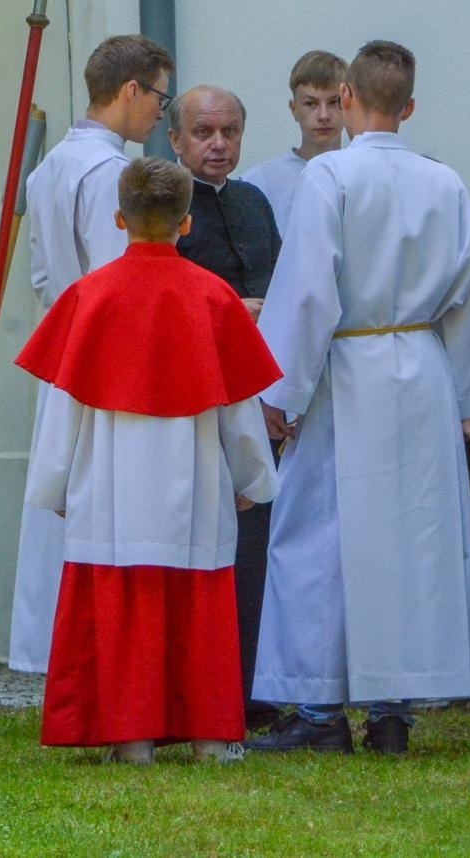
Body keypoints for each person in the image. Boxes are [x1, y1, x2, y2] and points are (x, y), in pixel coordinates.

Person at [247, 40, 470, 756]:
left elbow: (306, 293)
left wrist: (281, 393)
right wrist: (462, 397)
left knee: (319, 538)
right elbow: (468, 300)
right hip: (420, 366)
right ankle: (393, 709)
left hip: (348, 368)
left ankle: (322, 714)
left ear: (348, 97)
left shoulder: (331, 176)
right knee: (408, 542)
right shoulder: (445, 182)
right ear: (410, 106)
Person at [17, 157, 280, 764]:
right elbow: (239, 411)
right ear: (187, 224)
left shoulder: (88, 297)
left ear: (118, 218)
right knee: (202, 610)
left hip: (109, 488)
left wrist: (56, 486)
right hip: (198, 486)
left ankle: (131, 742)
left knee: (122, 609)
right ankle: (214, 739)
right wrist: (253, 479)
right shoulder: (215, 298)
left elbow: (65, 410)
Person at [9, 34, 175, 674]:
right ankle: (96, 652)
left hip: (64, 351)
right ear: (131, 90)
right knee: (102, 505)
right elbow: (121, 286)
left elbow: (45, 279)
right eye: (159, 95)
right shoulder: (110, 172)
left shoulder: (51, 164)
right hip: (105, 364)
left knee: (65, 496)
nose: (161, 112)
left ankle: (53, 650)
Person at [167, 84, 284, 729]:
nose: (218, 145)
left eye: (230, 132)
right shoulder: (167, 209)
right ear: (176, 140)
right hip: (197, 404)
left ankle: (239, 687)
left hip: (259, 396)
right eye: (205, 133)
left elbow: (287, 291)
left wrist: (278, 395)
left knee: (250, 548)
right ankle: (188, 691)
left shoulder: (254, 202)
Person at [240, 50, 347, 234]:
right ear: (294, 109)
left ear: (349, 105)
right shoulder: (259, 181)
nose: (323, 115)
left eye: (334, 102)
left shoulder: (365, 175)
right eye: (311, 103)